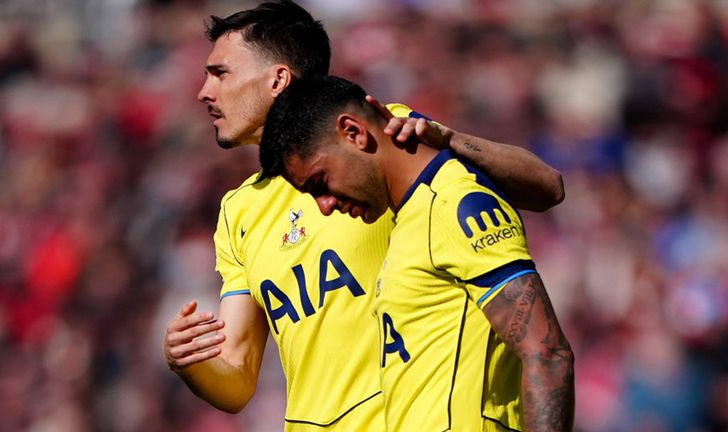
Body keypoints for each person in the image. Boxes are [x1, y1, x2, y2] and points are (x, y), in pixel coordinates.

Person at [162, 1, 566, 430]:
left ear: (277, 79)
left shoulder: (379, 136)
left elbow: (547, 187)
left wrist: (451, 140)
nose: (204, 92)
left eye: (220, 73)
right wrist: (189, 360)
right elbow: (238, 379)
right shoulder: (238, 211)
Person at [258, 75, 575, 431]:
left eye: (320, 183)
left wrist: (451, 139)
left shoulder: (452, 203)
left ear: (354, 132)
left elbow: (547, 353)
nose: (325, 206)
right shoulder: (410, 221)